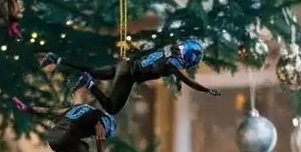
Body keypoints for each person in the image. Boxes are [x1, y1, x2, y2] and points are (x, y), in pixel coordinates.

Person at [42, 38, 220, 115]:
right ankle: (89, 84)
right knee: (112, 108)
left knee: (94, 70)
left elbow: (144, 52)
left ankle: (57, 59)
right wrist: (207, 90)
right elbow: (188, 81)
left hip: (126, 64)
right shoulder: (171, 64)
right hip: (128, 73)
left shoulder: (166, 50)